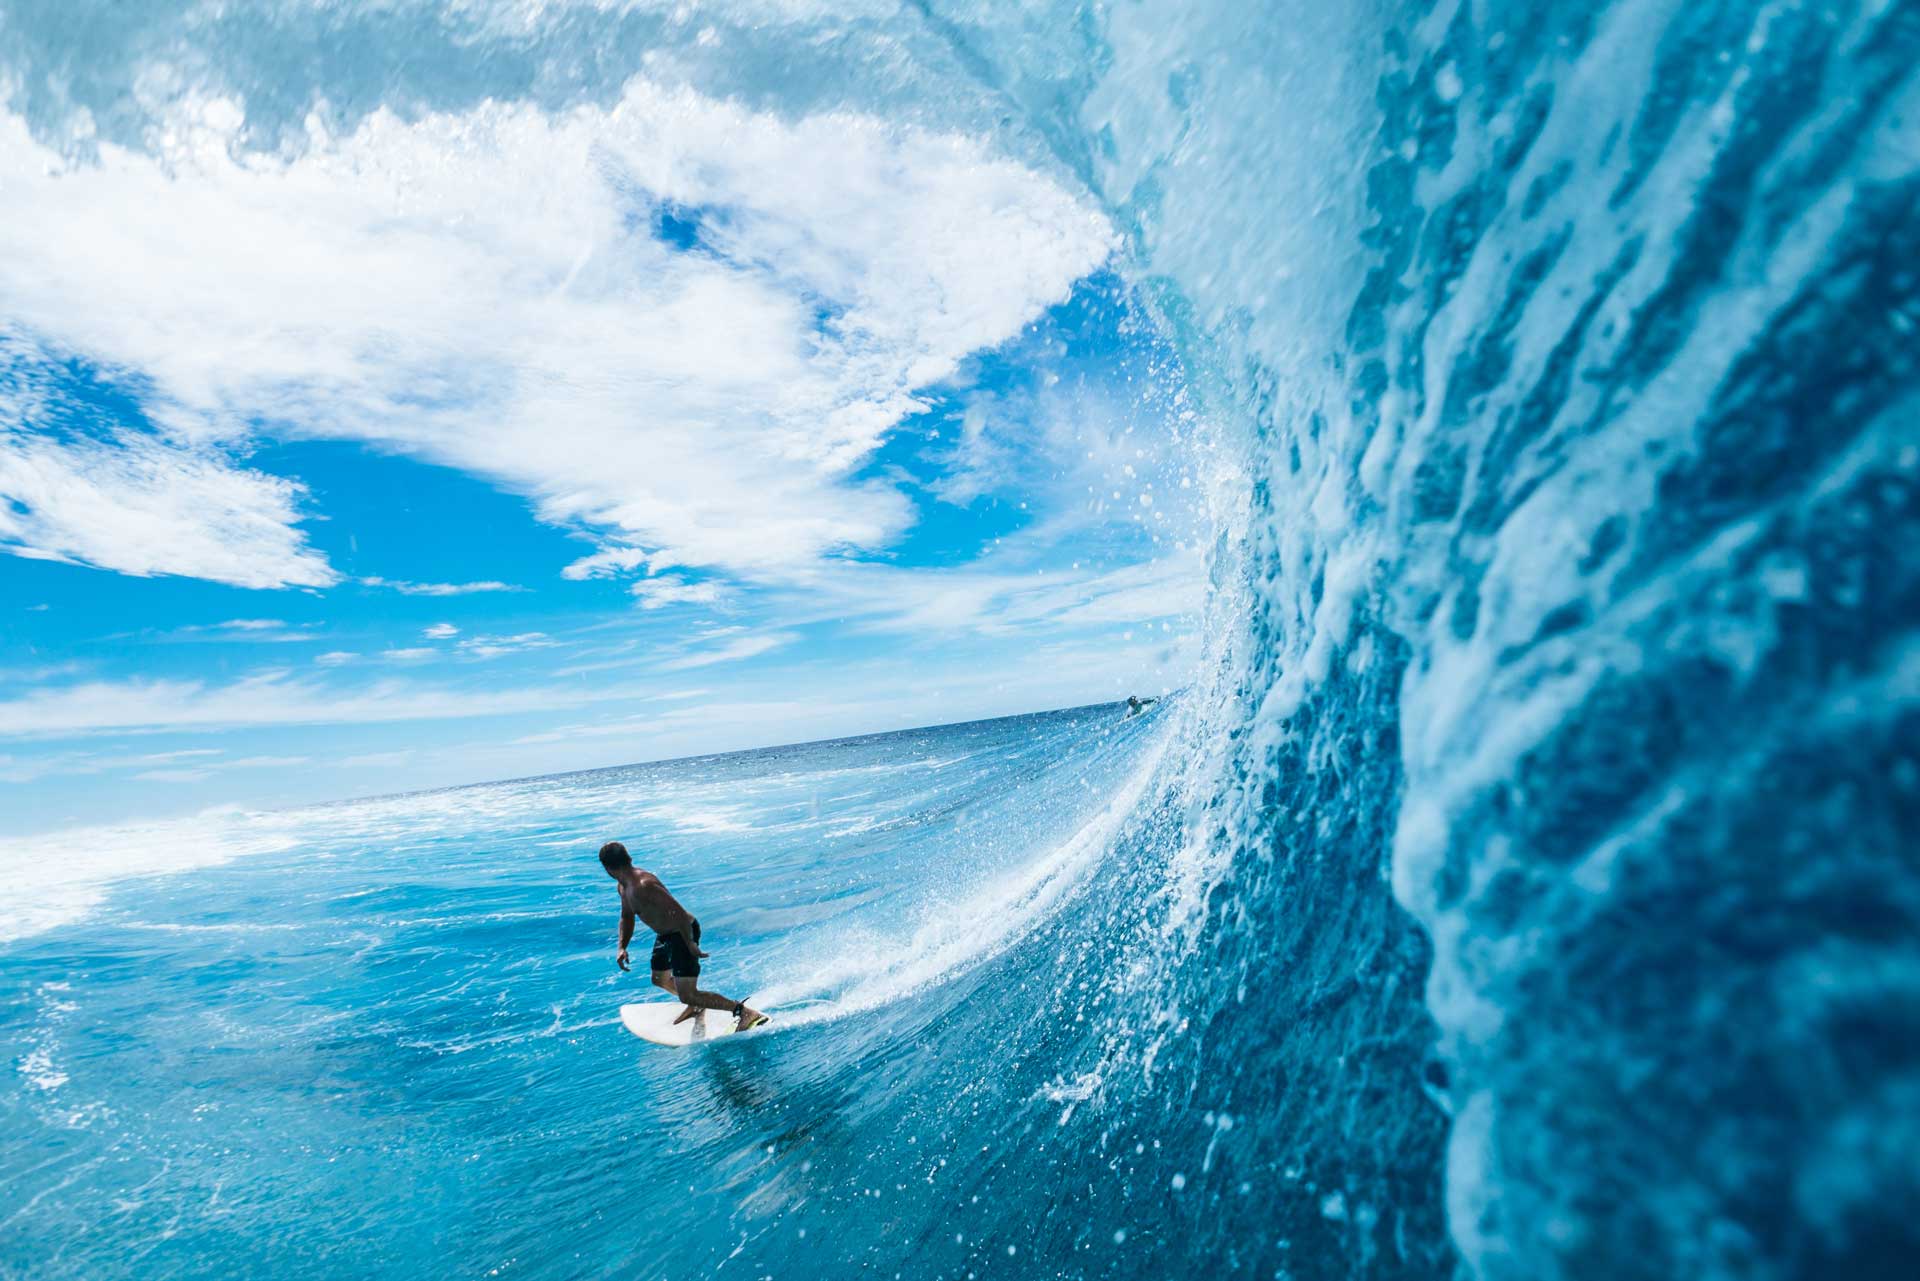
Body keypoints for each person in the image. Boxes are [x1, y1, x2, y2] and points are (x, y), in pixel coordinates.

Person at [599, 841, 768, 1031]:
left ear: (607, 868)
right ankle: (697, 1004)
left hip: (682, 931)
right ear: (628, 858)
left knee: (687, 994)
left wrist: (690, 943)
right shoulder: (623, 887)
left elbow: (677, 912)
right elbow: (627, 916)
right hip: (665, 936)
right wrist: (622, 947)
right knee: (659, 979)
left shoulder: (643, 885)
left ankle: (743, 1011)